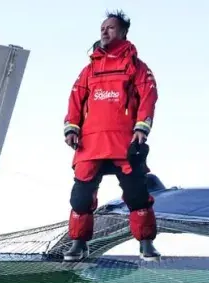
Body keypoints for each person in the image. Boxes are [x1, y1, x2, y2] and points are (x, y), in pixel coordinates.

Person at [62, 10, 161, 262]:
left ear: (124, 32)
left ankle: (146, 243)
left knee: (137, 194)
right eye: (102, 28)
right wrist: (72, 127)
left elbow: (148, 97)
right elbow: (75, 100)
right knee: (80, 197)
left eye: (111, 28)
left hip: (124, 142)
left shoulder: (138, 68)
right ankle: (79, 244)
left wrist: (141, 128)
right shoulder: (88, 70)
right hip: (90, 143)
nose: (104, 32)